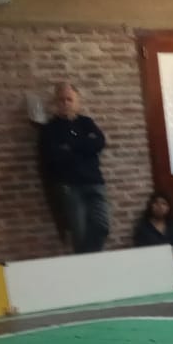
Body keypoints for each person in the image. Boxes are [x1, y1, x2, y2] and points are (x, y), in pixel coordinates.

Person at [38, 82, 110, 253]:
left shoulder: (86, 123)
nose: (65, 103)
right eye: (61, 100)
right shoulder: (50, 129)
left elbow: (99, 143)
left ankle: (92, 256)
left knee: (102, 225)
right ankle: (86, 261)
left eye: (69, 99)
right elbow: (54, 156)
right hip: (69, 186)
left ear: (77, 102)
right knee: (79, 231)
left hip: (94, 181)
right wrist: (84, 145)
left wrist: (70, 146)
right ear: (56, 103)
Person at [132, 192, 173, 273]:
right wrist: (168, 257)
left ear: (168, 207)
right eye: (156, 203)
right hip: (152, 266)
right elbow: (141, 252)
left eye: (163, 203)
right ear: (151, 206)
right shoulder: (143, 227)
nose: (160, 206)